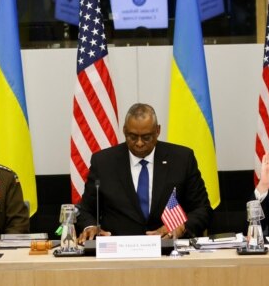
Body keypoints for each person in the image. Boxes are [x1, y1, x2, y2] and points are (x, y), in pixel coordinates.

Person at [77, 103, 211, 243]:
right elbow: (85, 209)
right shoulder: (104, 162)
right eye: (132, 137)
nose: (139, 143)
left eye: (146, 137)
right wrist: (90, 226)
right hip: (117, 251)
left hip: (168, 249)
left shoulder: (182, 159)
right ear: (124, 131)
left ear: (158, 131)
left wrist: (181, 227)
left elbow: (202, 209)